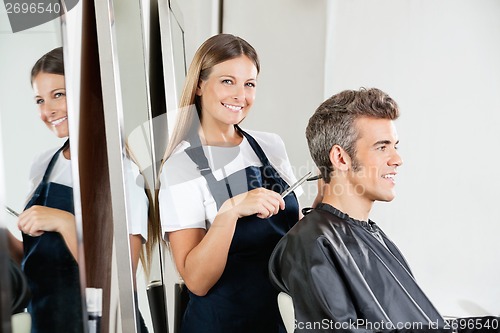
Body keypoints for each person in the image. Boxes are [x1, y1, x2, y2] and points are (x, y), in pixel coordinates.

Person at [269, 88, 500, 333]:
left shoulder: (369, 235)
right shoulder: (314, 244)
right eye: (382, 147)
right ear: (341, 157)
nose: (397, 159)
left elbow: (418, 323)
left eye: (395, 146)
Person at [158, 33, 303, 333]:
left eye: (249, 84)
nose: (241, 95)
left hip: (280, 320)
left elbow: (296, 233)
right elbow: (196, 281)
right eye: (227, 81)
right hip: (220, 324)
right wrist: (230, 211)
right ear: (199, 84)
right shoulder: (180, 167)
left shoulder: (270, 146)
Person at [6, 47, 152, 333]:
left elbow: (119, 281)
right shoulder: (42, 165)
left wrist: (64, 222)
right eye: (40, 100)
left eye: (58, 94)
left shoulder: (122, 173)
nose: (47, 110)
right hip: (46, 323)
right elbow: (41, 258)